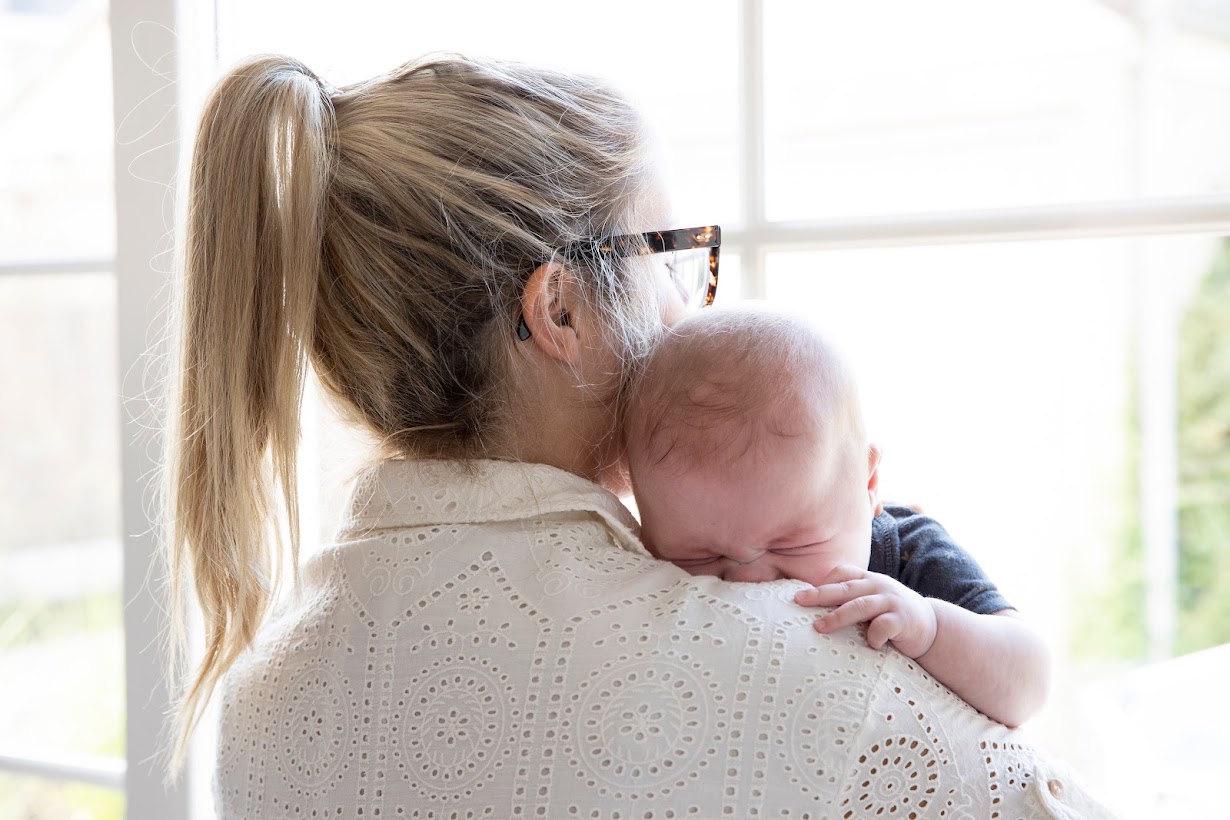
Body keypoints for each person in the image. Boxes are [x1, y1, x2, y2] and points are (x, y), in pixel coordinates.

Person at [164, 52, 1116, 817]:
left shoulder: (266, 702)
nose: (696, 308)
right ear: (562, 310)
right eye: (674, 259)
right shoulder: (829, 674)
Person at [624, 306, 1051, 729]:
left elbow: (1029, 683)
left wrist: (931, 629)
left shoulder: (910, 556)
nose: (750, 581)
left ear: (869, 485)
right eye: (700, 555)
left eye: (790, 544)